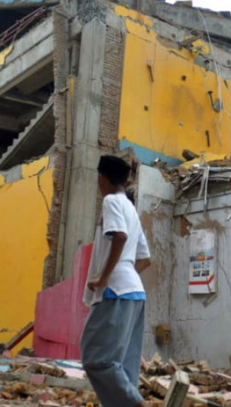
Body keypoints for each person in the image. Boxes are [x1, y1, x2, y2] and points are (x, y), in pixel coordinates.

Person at [80, 155, 151, 407]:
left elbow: (119, 237)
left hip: (115, 291)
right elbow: (145, 258)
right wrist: (125, 274)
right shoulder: (130, 208)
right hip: (135, 292)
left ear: (101, 178)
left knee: (95, 358)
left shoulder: (110, 201)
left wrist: (105, 277)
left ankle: (135, 404)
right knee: (125, 365)